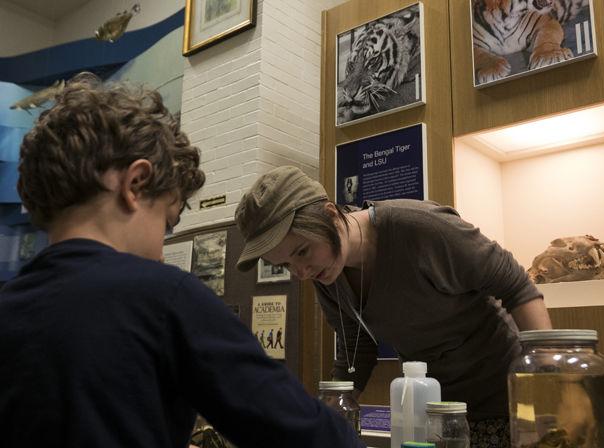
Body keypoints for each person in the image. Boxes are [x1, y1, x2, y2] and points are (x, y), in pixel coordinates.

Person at [0, 75, 365, 448]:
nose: (161, 251)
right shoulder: (164, 297)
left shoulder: (8, 308)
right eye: (167, 223)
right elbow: (309, 435)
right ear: (136, 184)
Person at [235, 166, 553, 447]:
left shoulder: (418, 228)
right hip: (435, 411)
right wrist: (325, 416)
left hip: (507, 401)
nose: (301, 273)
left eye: (302, 252)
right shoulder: (327, 272)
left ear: (331, 216)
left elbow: (516, 286)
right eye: (286, 265)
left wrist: (544, 390)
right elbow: (355, 349)